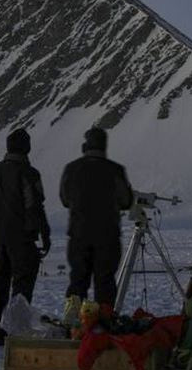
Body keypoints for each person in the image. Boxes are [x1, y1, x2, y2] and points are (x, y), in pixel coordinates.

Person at [0, 128, 51, 346]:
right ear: (25, 147)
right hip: (22, 239)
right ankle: (17, 330)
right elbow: (35, 206)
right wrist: (44, 234)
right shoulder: (29, 173)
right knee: (22, 284)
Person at [60, 127, 133, 322]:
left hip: (78, 235)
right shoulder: (115, 170)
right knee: (105, 283)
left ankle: (73, 324)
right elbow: (126, 200)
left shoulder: (72, 169)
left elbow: (65, 199)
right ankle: (104, 326)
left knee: (77, 281)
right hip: (107, 236)